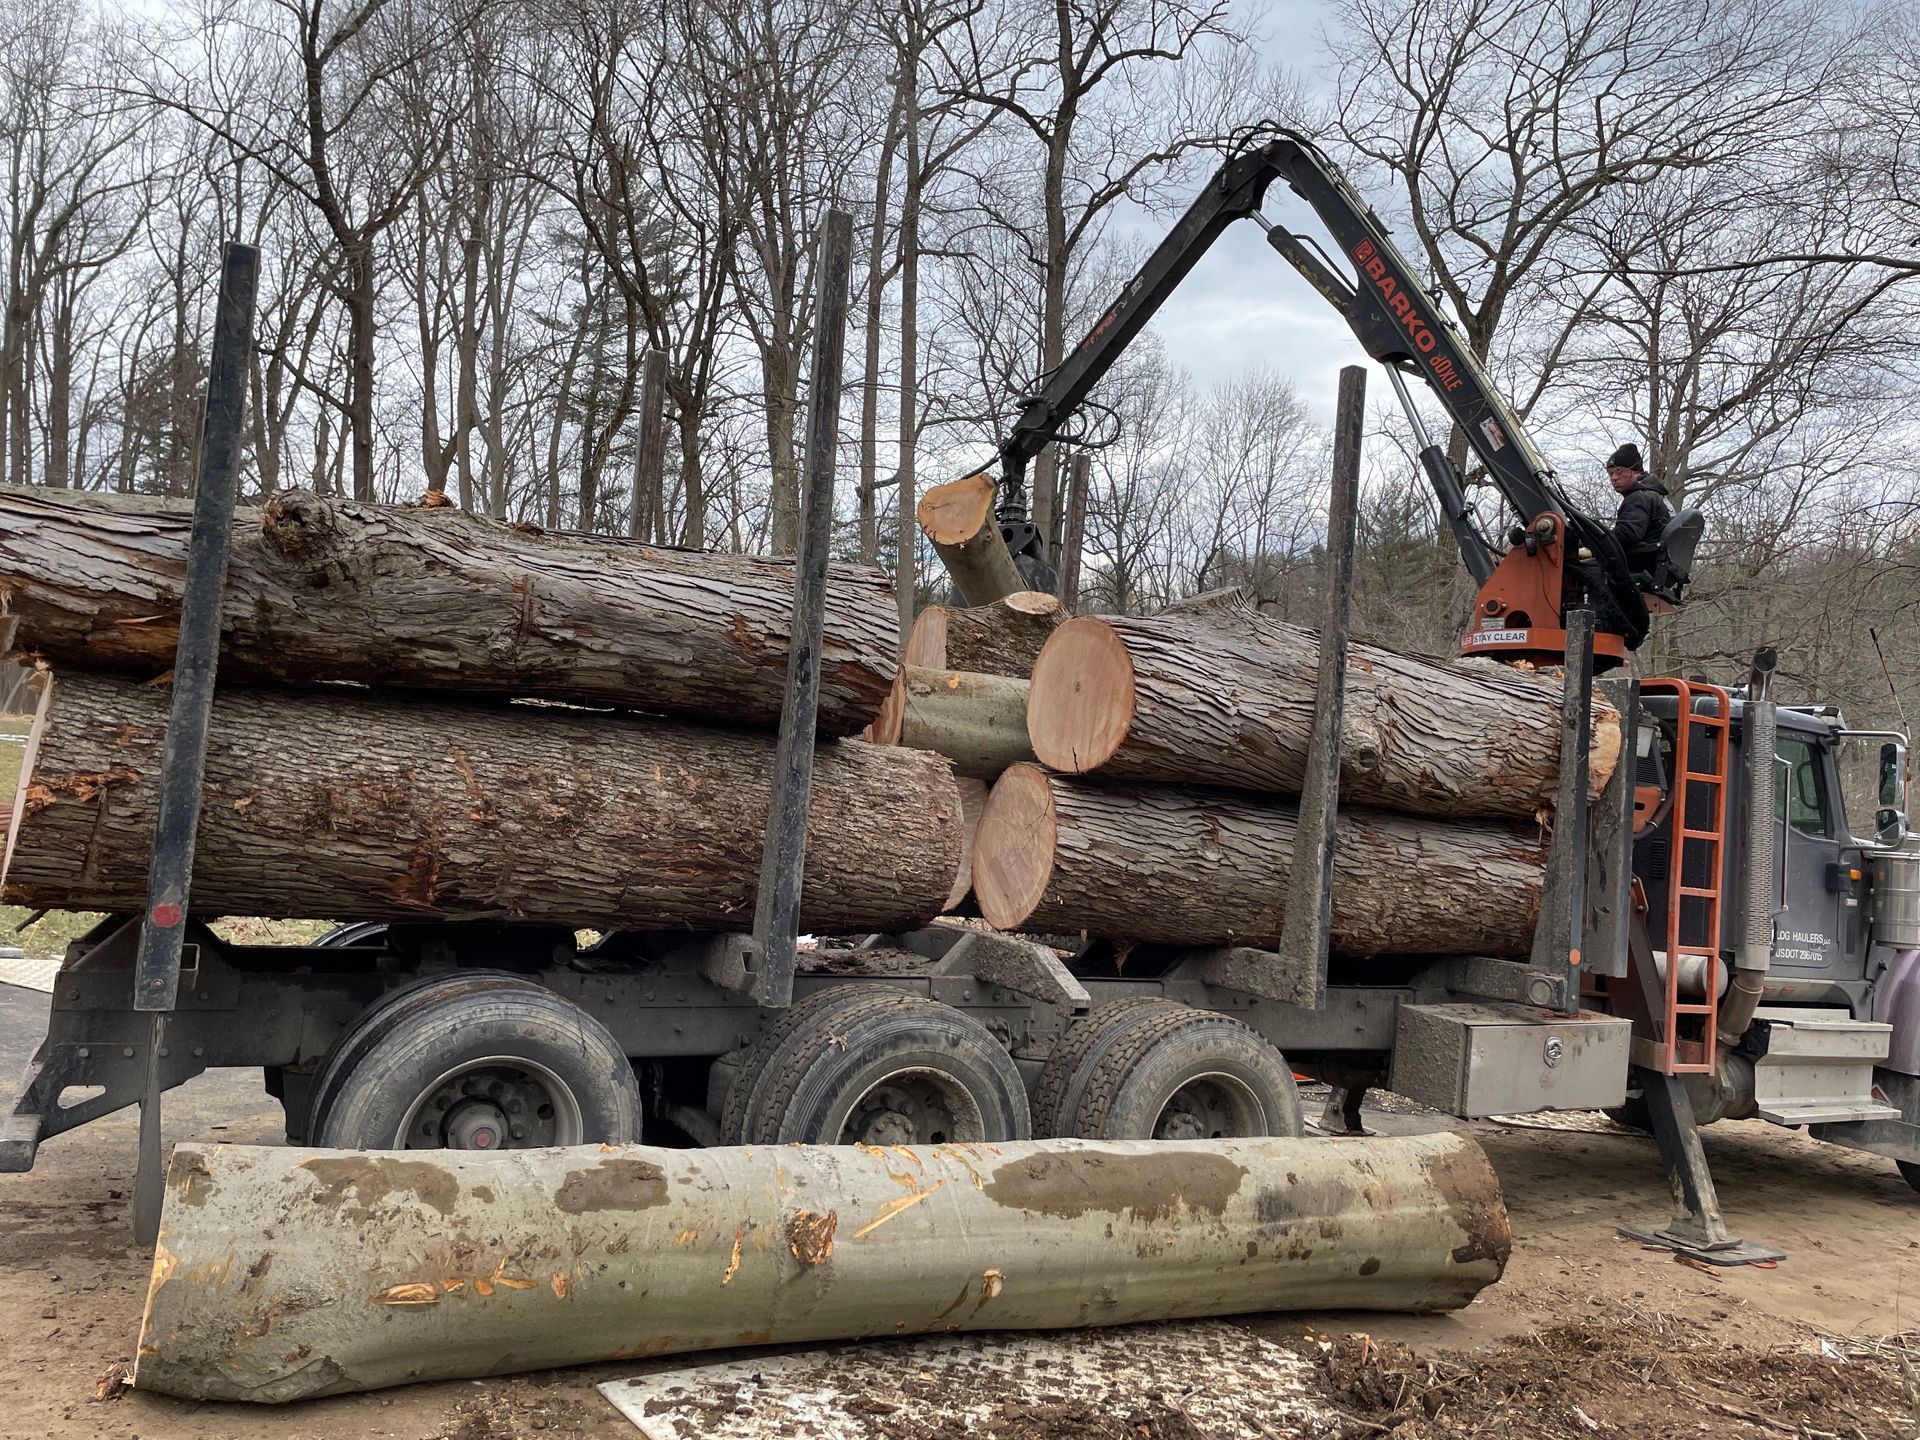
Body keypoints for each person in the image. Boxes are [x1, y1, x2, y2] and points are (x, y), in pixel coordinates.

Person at [1604, 442, 1671, 571]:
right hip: (1656, 567)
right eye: (1610, 473)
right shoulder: (1655, 495)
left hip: (1640, 566)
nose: (1614, 478)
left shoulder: (1639, 497)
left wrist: (1592, 541)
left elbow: (1627, 535)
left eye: (1619, 471)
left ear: (1636, 472)